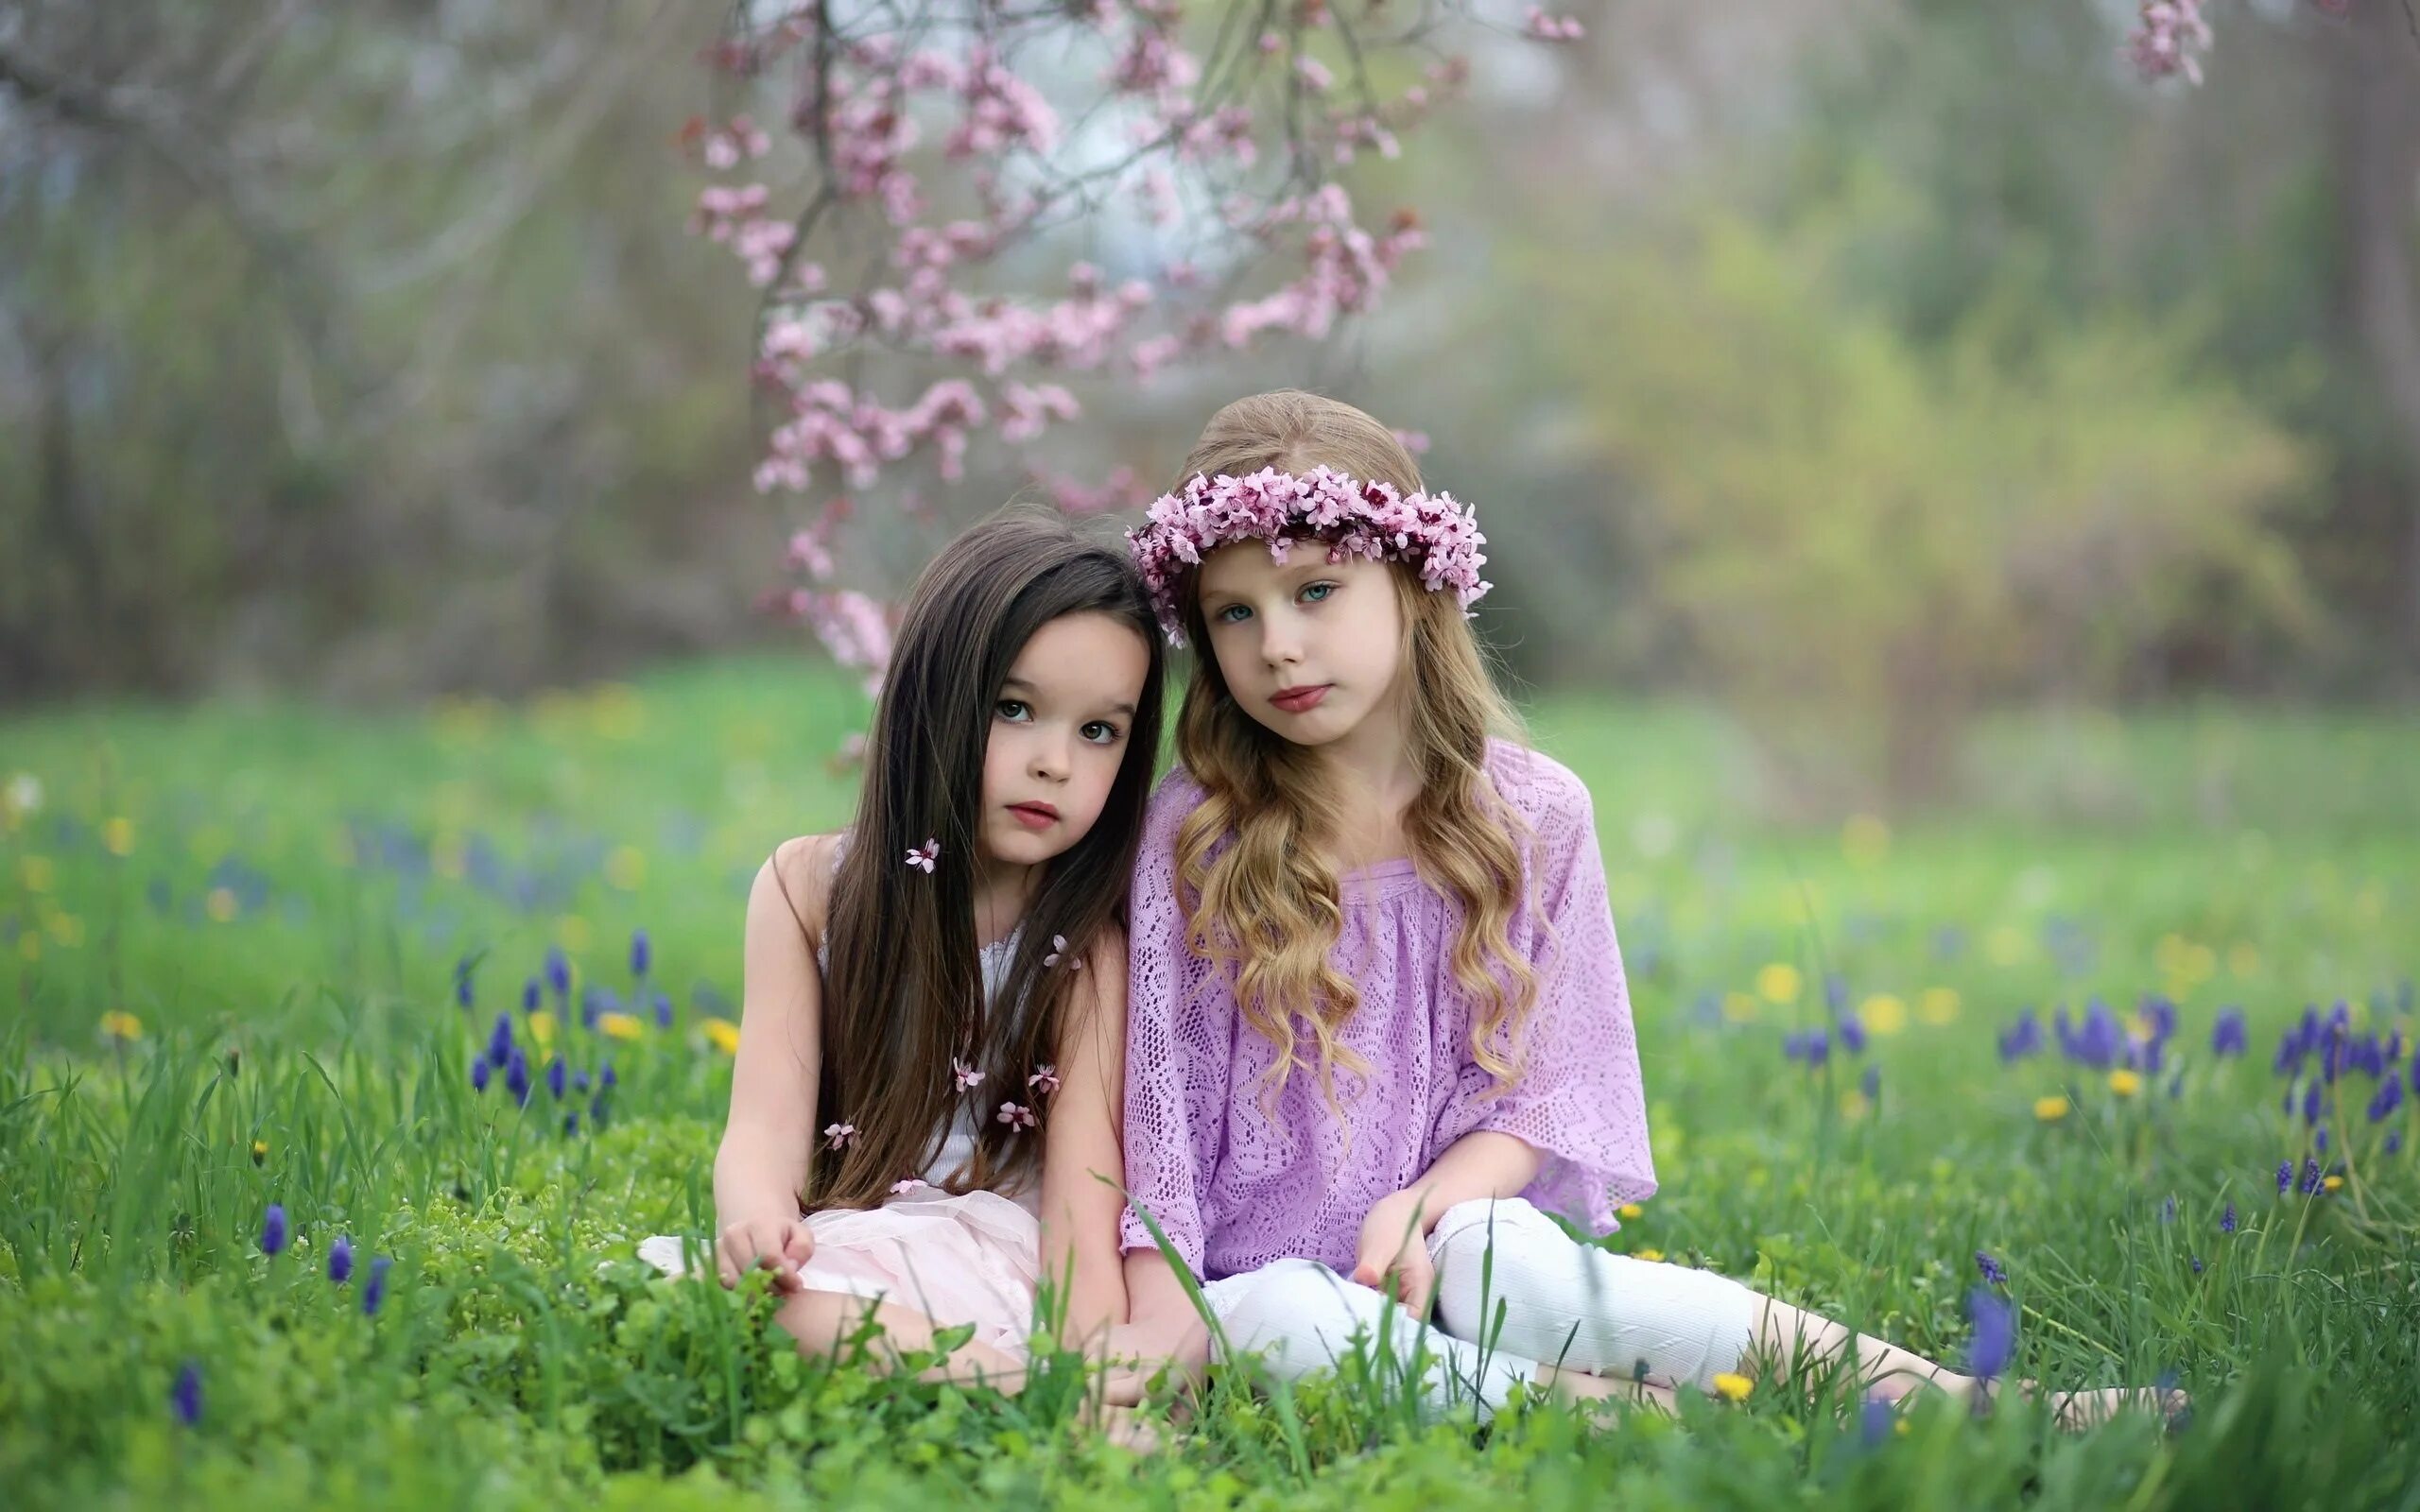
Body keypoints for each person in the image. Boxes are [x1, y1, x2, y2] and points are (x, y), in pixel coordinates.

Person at [1114, 390, 2163, 1427]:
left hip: (1449, 1235)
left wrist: (1420, 1210)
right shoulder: (1196, 837)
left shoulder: (1530, 815)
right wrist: (1166, 1330)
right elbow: (1154, 1132)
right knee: (1290, 1321)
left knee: (1506, 1261)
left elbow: (1544, 1096)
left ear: (1412, 581)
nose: (1278, 646)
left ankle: (1962, 1403)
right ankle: (1632, 1420)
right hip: (1256, 1283)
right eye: (1234, 614)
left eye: (1315, 592)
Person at [640, 504, 1163, 1395]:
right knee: (754, 1297)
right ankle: (1013, 1389)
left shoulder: (1085, 950)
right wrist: (758, 1223)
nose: (1054, 764)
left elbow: (1083, 1197)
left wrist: (1091, 1351)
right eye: (1014, 709)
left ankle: (1032, 1391)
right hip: (856, 1240)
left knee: (809, 1322)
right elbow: (764, 1122)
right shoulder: (809, 889)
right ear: (935, 696)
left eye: (1097, 731)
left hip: (1003, 1258)